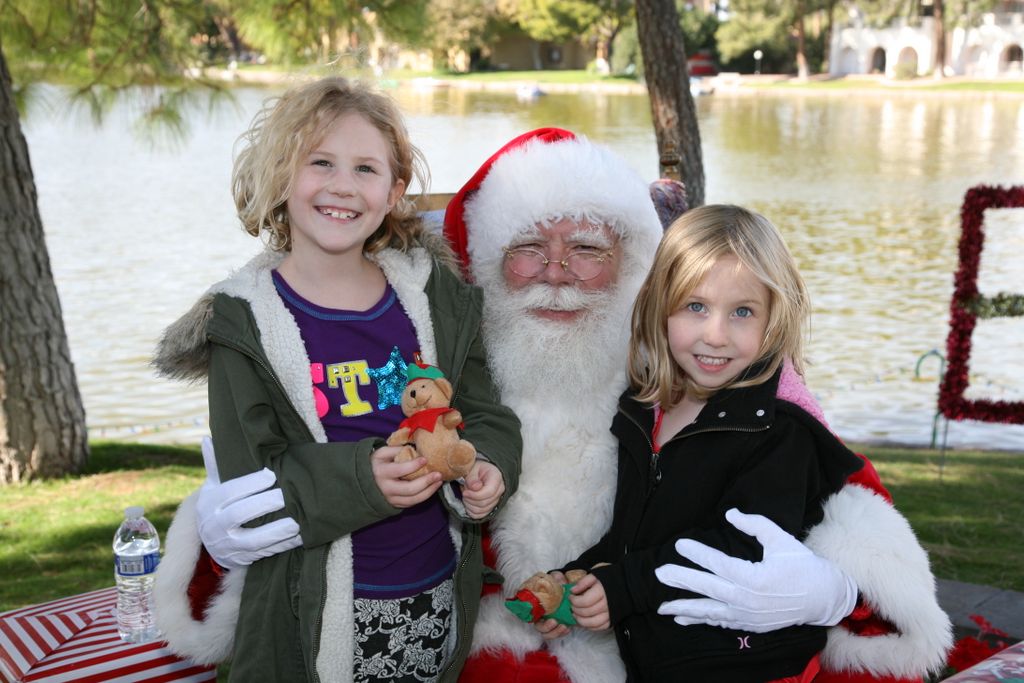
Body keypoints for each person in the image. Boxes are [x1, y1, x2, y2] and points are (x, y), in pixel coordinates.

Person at [165, 128, 951, 683]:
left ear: (633, 263)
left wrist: (838, 587)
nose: (558, 273)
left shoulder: (689, 361)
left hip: (665, 646)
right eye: (530, 248)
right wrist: (218, 530)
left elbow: (847, 494)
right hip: (458, 635)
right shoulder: (432, 352)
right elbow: (299, 467)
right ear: (488, 263)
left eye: (588, 249)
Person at [151, 77, 521, 683]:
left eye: (366, 168)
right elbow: (253, 479)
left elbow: (485, 414)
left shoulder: (435, 301)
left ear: (395, 190)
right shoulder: (243, 323)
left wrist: (488, 467)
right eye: (319, 162)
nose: (343, 185)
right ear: (279, 175)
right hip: (304, 619)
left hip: (435, 605)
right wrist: (362, 478)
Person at [546, 204, 863, 681]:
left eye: (742, 312)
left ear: (774, 318)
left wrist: (626, 587)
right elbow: (635, 535)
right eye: (696, 306)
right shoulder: (644, 411)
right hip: (660, 663)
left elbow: (743, 547)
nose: (716, 335)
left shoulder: (779, 431)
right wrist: (577, 578)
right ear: (660, 305)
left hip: (747, 664)